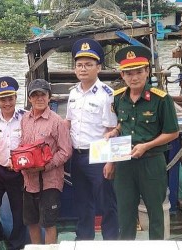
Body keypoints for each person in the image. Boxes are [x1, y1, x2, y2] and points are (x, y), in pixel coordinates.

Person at [107, 45, 179, 239]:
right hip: (124, 163)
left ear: (147, 71)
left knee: (155, 212)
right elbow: (124, 124)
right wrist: (115, 131)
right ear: (122, 75)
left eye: (139, 71)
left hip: (151, 161)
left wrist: (146, 146)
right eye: (129, 73)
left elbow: (172, 133)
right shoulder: (118, 98)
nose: (134, 77)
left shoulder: (161, 99)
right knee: (125, 213)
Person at [66, 38, 119, 240]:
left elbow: (113, 129)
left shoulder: (107, 95)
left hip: (99, 154)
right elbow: (68, 123)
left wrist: (110, 161)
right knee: (82, 202)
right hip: (77, 155)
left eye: (88, 65)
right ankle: (84, 240)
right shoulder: (73, 94)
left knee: (106, 203)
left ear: (99, 67)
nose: (83, 69)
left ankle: (111, 241)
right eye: (79, 65)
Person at [21, 79, 71, 244]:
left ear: (49, 97)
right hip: (29, 181)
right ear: (29, 99)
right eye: (35, 95)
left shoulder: (57, 121)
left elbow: (65, 151)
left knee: (49, 223)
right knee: (32, 222)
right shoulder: (25, 119)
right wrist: (17, 161)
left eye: (43, 94)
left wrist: (44, 166)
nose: (39, 98)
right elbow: (22, 145)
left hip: (50, 182)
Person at [0, 76, 27, 249]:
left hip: (18, 171)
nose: (7, 103)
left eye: (10, 98)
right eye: (3, 99)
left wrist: (20, 164)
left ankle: (17, 242)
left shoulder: (25, 118)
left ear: (16, 98)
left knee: (19, 210)